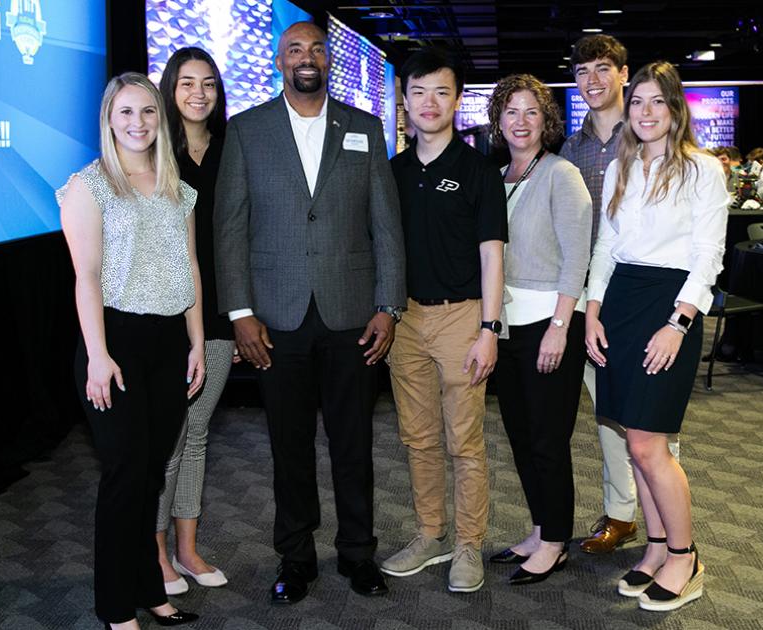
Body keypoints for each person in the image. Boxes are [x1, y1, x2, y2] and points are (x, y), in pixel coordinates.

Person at [213, 21, 406, 604]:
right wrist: (241, 312)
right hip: (275, 319)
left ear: (329, 61)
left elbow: (386, 225)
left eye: (317, 49)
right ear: (278, 60)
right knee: (288, 446)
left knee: (354, 444)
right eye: (295, 49)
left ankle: (357, 554)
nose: (307, 58)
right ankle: (295, 558)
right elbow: (230, 227)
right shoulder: (246, 131)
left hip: (352, 315)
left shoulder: (364, 128)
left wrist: (389, 304)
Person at [58, 72, 203, 629]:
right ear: (108, 120)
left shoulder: (176, 186)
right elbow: (86, 278)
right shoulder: (87, 185)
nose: (138, 123)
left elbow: (189, 269)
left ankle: (151, 589)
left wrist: (196, 344)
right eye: (125, 113)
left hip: (169, 344)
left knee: (150, 477)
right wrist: (97, 354)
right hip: (113, 343)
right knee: (124, 476)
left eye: (147, 112)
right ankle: (115, 608)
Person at [586, 61, 728, 611]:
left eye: (656, 102)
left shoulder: (702, 169)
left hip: (669, 309)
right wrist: (593, 309)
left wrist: (679, 322)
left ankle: (686, 556)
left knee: (650, 445)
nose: (645, 112)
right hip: (619, 303)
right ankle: (657, 547)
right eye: (638, 101)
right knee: (632, 439)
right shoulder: (622, 166)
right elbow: (606, 245)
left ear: (675, 109)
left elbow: (707, 256)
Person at [380, 47, 506, 594]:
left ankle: (469, 544)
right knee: (418, 438)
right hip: (404, 321)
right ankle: (431, 534)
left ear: (456, 100)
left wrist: (489, 329)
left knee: (465, 441)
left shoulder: (478, 170)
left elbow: (492, 255)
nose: (429, 102)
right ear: (404, 102)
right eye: (418, 91)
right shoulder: (391, 173)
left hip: (463, 320)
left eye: (441, 91)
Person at [560, 33, 676, 557]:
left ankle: (669, 526)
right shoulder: (571, 145)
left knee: (652, 417)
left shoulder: (649, 137)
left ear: (624, 74)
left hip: (645, 298)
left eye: (603, 69)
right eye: (582, 72)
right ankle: (621, 514)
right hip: (588, 298)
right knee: (607, 413)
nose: (592, 81)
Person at [485, 74, 592, 585]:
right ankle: (540, 527)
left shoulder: (561, 174)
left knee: (549, 441)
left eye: (531, 112)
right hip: (505, 329)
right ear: (498, 121)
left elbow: (577, 259)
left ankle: (556, 542)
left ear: (546, 121)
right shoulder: (498, 175)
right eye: (510, 112)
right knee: (522, 438)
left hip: (548, 326)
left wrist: (559, 327)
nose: (520, 122)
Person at [155, 47, 237, 596]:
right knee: (168, 438)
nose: (198, 94)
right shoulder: (152, 150)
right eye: (187, 83)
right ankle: (154, 551)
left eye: (208, 84)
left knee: (199, 434)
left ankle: (186, 549)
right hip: (164, 316)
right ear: (171, 89)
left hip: (219, 317)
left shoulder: (234, 151)